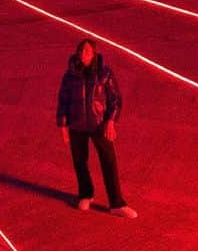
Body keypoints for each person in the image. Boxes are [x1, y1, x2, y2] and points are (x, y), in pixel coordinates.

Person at [56, 37, 137, 218]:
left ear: (94, 54)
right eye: (82, 51)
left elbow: (115, 99)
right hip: (76, 124)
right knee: (79, 161)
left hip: (98, 124)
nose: (84, 54)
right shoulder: (70, 75)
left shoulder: (104, 73)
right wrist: (62, 125)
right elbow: (63, 100)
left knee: (108, 161)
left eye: (88, 51)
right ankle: (85, 194)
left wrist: (110, 121)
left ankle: (116, 203)